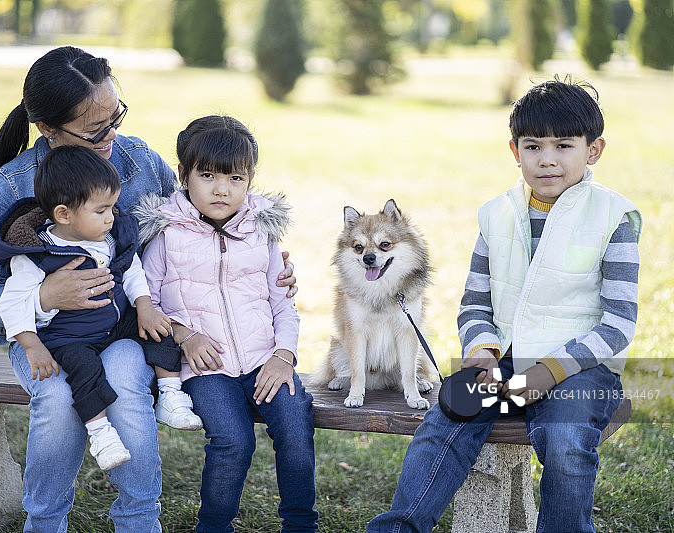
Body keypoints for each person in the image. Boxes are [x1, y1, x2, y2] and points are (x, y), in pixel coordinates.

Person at [0, 46, 296, 532]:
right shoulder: (12, 188)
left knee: (128, 388)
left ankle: (138, 521)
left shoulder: (138, 162)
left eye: (116, 117)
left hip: (124, 330)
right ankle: (44, 522)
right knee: (58, 398)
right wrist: (47, 297)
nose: (112, 136)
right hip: (47, 340)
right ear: (48, 129)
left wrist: (260, 265)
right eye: (95, 131)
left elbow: (198, 224)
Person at [367, 76, 642, 533]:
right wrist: (482, 355)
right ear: (515, 151)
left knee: (566, 438)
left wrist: (545, 374)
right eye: (533, 146)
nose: (547, 159)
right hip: (505, 365)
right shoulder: (496, 215)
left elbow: (617, 325)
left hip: (580, 370)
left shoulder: (614, 219)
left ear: (593, 150)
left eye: (564, 145)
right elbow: (474, 306)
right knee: (445, 423)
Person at [134, 115, 319, 532]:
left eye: (236, 177)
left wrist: (284, 356)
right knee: (234, 441)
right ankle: (214, 526)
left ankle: (301, 524)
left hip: (263, 360)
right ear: (183, 175)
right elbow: (146, 301)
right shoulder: (167, 234)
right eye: (208, 175)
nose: (222, 189)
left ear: (250, 179)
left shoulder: (261, 232)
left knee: (294, 425)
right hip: (205, 369)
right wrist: (184, 336)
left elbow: (284, 304)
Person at [0, 145, 202, 471]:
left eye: (112, 206)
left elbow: (130, 268)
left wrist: (145, 306)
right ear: (64, 215)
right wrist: (32, 346)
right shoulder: (37, 253)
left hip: (115, 322)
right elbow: (11, 303)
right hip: (71, 337)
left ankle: (171, 393)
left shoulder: (111, 235)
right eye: (101, 210)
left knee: (159, 328)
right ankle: (100, 432)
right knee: (83, 370)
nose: (111, 216)